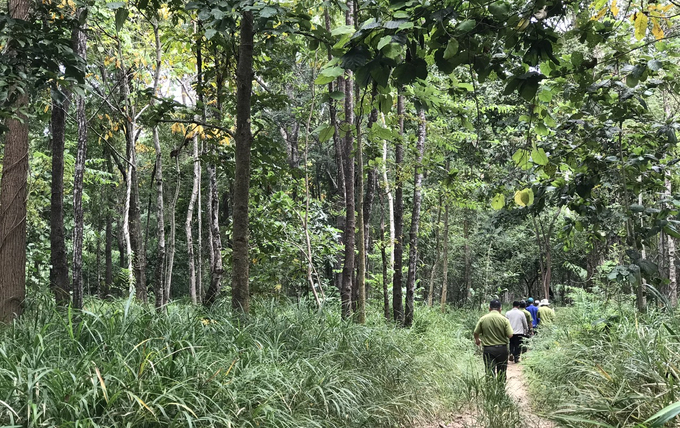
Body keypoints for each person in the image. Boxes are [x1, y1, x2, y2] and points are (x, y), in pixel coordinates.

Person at [474, 299, 513, 380]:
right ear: (500, 309)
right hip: (502, 349)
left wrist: (477, 340)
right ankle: (501, 389)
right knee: (502, 371)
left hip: (488, 349)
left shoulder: (483, 319)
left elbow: (476, 332)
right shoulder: (504, 320)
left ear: (489, 308)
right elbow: (510, 335)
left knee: (489, 371)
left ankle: (490, 389)